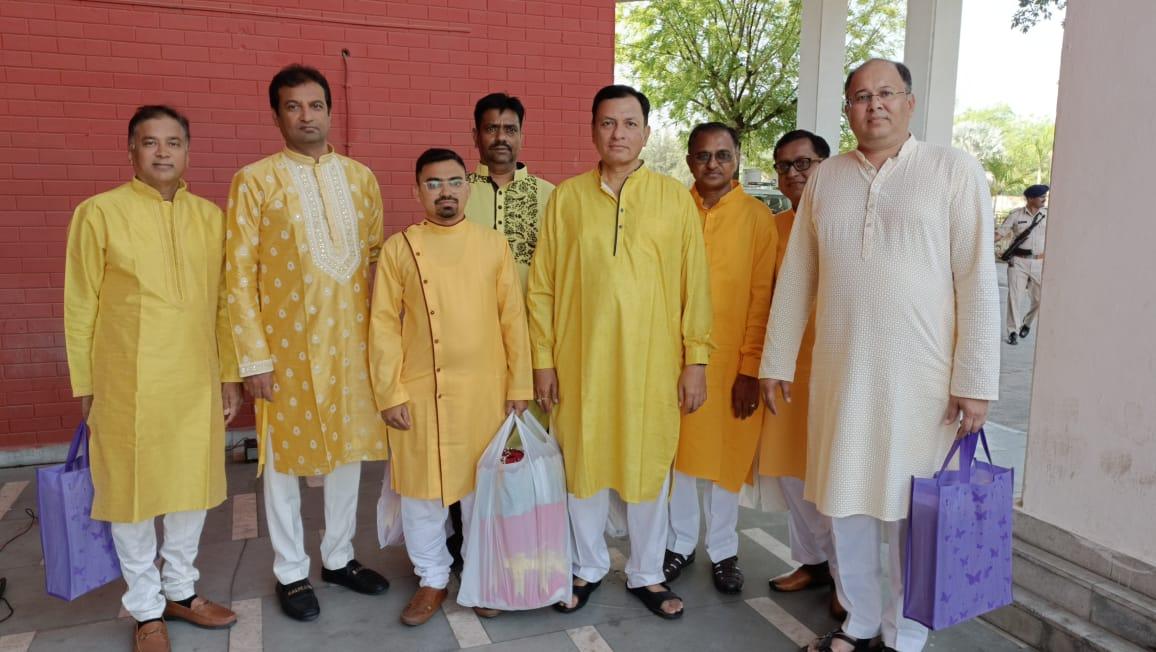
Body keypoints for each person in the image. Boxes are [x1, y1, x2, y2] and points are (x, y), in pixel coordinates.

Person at [759, 59, 1000, 652]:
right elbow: (798, 276)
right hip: (843, 374)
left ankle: (907, 630)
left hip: (924, 382)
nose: (874, 106)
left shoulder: (953, 171)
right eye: (861, 97)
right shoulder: (826, 179)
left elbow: (976, 279)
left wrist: (975, 380)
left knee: (912, 510)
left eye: (886, 93)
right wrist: (777, 359)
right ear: (847, 110)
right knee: (847, 502)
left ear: (910, 103)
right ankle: (861, 620)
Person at [526, 84, 713, 620]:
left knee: (648, 466)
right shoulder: (566, 198)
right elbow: (542, 285)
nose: (619, 134)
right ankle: (586, 567)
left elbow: (693, 285)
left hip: (653, 366)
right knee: (581, 465)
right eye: (608, 123)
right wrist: (542, 359)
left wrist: (695, 360)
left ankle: (647, 573)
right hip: (580, 362)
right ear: (593, 131)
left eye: (630, 124)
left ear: (647, 133)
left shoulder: (674, 199)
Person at [64, 105, 241, 652]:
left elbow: (224, 306)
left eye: (173, 142)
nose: (163, 152)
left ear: (188, 151)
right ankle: (146, 609)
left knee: (192, 490)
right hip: (126, 384)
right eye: (150, 142)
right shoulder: (99, 213)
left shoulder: (210, 218)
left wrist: (229, 376)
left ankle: (181, 591)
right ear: (131, 151)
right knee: (131, 497)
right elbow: (79, 306)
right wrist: (86, 386)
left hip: (195, 379)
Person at [225, 64, 389, 623]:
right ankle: (291, 571)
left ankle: (339, 557)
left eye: (314, 105)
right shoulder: (255, 181)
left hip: (351, 346)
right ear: (276, 116)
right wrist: (254, 358)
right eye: (292, 107)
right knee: (282, 463)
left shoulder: (362, 179)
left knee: (347, 455)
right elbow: (238, 277)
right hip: (285, 353)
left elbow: (373, 265)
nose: (305, 116)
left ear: (329, 110)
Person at [368, 148, 532, 626]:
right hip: (420, 392)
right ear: (417, 190)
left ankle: (482, 578)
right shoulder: (401, 247)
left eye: (455, 182)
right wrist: (389, 392)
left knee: (482, 495)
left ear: (469, 186)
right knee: (422, 494)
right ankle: (432, 579)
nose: (445, 192)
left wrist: (518, 386)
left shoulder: (492, 244)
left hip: (486, 391)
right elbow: (382, 326)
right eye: (433, 183)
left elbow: (513, 321)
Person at [665, 122, 776, 595]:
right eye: (703, 155)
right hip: (674, 356)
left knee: (727, 460)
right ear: (689, 160)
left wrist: (750, 369)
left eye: (723, 155)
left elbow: (761, 296)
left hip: (732, 361)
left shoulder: (757, 218)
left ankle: (724, 551)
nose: (713, 165)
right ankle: (680, 543)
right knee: (681, 458)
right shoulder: (672, 210)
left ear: (737, 158)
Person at [758, 129, 846, 621]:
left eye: (804, 163)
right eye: (784, 165)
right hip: (785, 370)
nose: (793, 174)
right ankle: (812, 562)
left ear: (825, 167)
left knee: (830, 474)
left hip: (834, 368)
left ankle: (843, 572)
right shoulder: (773, 228)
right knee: (792, 473)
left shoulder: (844, 221)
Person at [466, 92, 555, 288]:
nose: (501, 138)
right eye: (491, 129)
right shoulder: (457, 192)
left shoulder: (550, 196)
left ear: (522, 138)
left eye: (510, 130)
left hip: (529, 316)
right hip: (467, 316)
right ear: (476, 136)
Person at [998, 184, 1048, 344]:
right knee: (1014, 297)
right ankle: (1013, 331)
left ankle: (1026, 323)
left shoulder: (1048, 215)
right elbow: (1000, 233)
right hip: (1018, 262)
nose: (1044, 198)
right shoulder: (1016, 215)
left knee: (1040, 299)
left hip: (1040, 262)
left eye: (1045, 196)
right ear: (1031, 198)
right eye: (1041, 196)